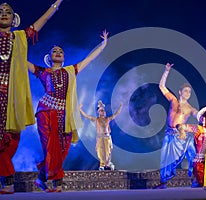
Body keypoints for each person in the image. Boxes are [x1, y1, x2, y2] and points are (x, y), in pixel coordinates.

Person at [27, 30, 109, 192]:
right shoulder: (42, 72)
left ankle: (42, 177)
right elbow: (22, 61)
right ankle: (56, 183)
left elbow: (89, 59)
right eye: (54, 51)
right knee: (51, 146)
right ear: (49, 58)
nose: (58, 52)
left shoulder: (71, 71)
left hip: (64, 115)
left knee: (63, 148)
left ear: (64, 58)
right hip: (45, 113)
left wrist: (103, 45)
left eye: (61, 51)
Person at [0, 0, 63, 194]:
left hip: (11, 94)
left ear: (14, 19)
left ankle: (7, 182)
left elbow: (41, 21)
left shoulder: (18, 37)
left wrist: (56, 5)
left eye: (8, 12)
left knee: (9, 137)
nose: (3, 13)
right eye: (0, 11)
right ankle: (7, 180)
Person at [153, 63, 198, 189]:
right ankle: (163, 183)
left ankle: (196, 178)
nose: (188, 93)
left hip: (183, 135)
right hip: (169, 134)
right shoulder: (173, 100)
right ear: (180, 92)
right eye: (185, 91)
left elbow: (198, 114)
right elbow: (161, 86)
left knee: (193, 155)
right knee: (165, 159)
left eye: (189, 91)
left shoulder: (190, 108)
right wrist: (166, 71)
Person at [79, 100, 123, 171]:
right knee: (100, 151)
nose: (103, 112)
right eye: (101, 110)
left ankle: (108, 163)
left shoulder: (107, 119)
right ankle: (102, 164)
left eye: (104, 111)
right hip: (100, 138)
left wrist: (120, 106)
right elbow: (87, 116)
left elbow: (116, 114)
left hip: (107, 137)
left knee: (108, 151)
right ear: (99, 112)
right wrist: (80, 109)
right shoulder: (96, 120)